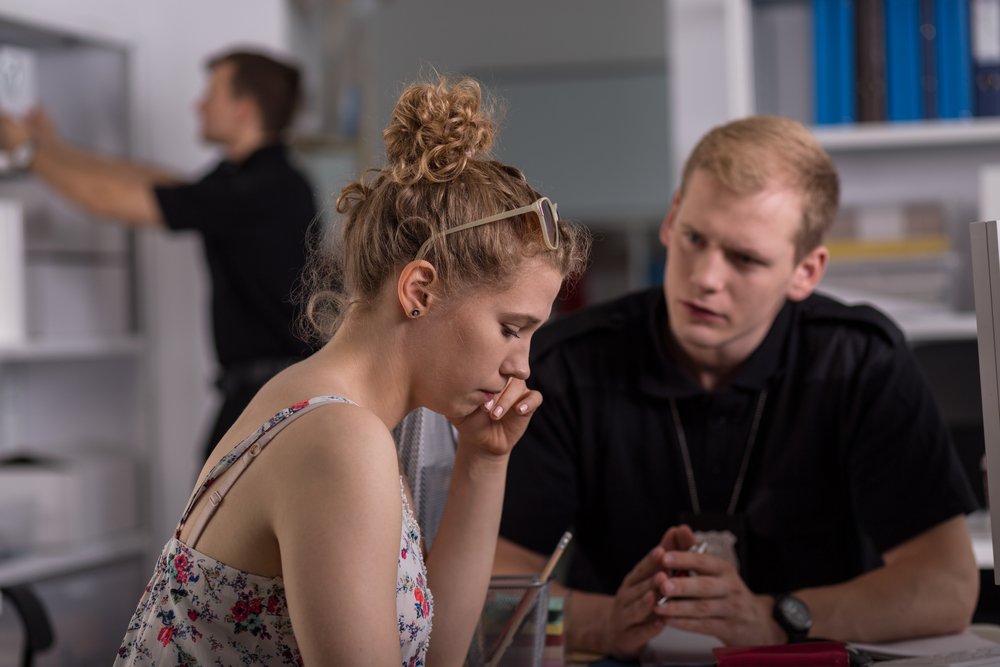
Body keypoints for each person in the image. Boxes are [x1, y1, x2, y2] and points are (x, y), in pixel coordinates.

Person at [111, 76, 589, 666]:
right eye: (511, 329)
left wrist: (484, 463)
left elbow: (436, 657)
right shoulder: (341, 441)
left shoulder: (322, 406)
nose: (522, 365)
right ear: (419, 290)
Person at [494, 115, 980, 659]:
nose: (705, 276)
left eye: (744, 258)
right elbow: (498, 582)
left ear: (806, 271)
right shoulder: (569, 362)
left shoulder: (860, 359)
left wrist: (777, 619)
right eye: (694, 237)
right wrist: (606, 620)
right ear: (671, 218)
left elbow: (948, 586)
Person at [0, 48, 318, 462]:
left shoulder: (263, 189)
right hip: (268, 395)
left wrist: (28, 154)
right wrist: (48, 148)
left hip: (273, 399)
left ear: (243, 109)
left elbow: (108, 200)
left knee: (208, 523)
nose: (198, 103)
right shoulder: (248, 180)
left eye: (212, 92)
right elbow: (148, 183)